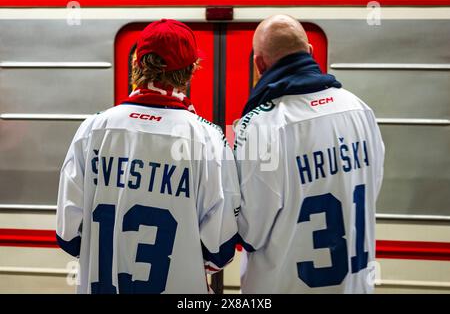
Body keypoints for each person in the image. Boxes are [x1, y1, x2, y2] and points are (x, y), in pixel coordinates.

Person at [56, 19, 240, 294]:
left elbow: (69, 237)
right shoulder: (209, 138)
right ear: (190, 71)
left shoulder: (92, 130)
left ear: (136, 65)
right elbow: (220, 251)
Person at [234, 15, 385, 293]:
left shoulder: (261, 125)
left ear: (259, 64)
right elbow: (370, 189)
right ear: (311, 52)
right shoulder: (360, 110)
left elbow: (250, 232)